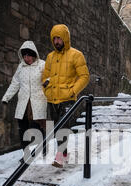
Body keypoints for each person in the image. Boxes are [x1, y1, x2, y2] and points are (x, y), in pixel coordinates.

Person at [42, 24, 90, 168]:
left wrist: (73, 91)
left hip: (67, 98)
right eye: (54, 38)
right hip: (52, 98)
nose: (56, 41)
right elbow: (45, 76)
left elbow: (84, 76)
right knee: (57, 128)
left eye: (59, 38)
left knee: (63, 127)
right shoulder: (50, 57)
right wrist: (46, 87)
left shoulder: (76, 55)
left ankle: (60, 156)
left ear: (65, 38)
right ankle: (64, 154)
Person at [2, 41, 47, 162]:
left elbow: (50, 76)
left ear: (34, 54)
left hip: (38, 102)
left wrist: (48, 81)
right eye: (25, 56)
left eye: (29, 55)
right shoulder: (20, 67)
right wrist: (6, 98)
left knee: (38, 127)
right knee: (23, 129)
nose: (27, 58)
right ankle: (26, 154)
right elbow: (15, 84)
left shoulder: (42, 64)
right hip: (23, 103)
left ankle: (43, 148)